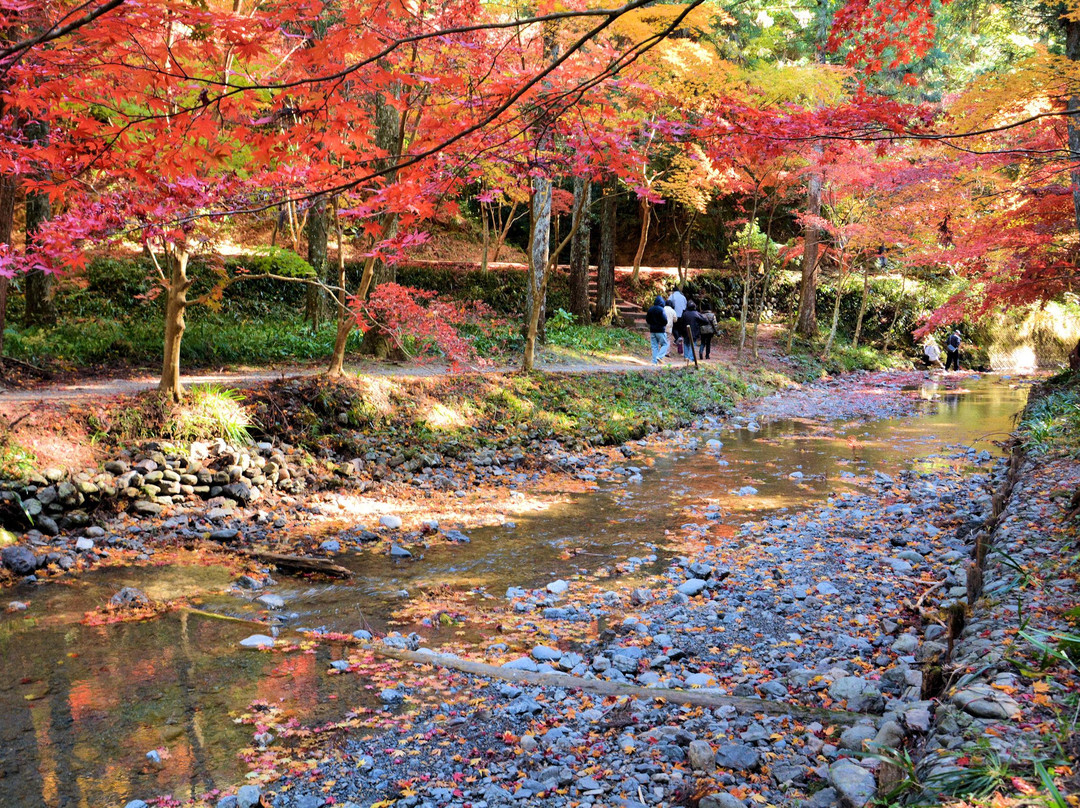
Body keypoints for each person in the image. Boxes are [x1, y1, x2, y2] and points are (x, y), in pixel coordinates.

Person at [646, 296, 669, 364]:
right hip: (660, 330)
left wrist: (652, 324)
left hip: (652, 330)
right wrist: (662, 324)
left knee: (654, 346)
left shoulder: (650, 309)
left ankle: (654, 362)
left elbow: (647, 320)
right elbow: (665, 320)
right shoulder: (661, 310)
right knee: (665, 344)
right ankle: (659, 356)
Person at [683, 301, 706, 365]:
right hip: (694, 332)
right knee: (692, 344)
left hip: (685, 331)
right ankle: (690, 358)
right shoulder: (696, 313)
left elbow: (681, 323)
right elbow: (705, 321)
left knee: (686, 343)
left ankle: (686, 356)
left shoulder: (684, 314)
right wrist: (699, 324)